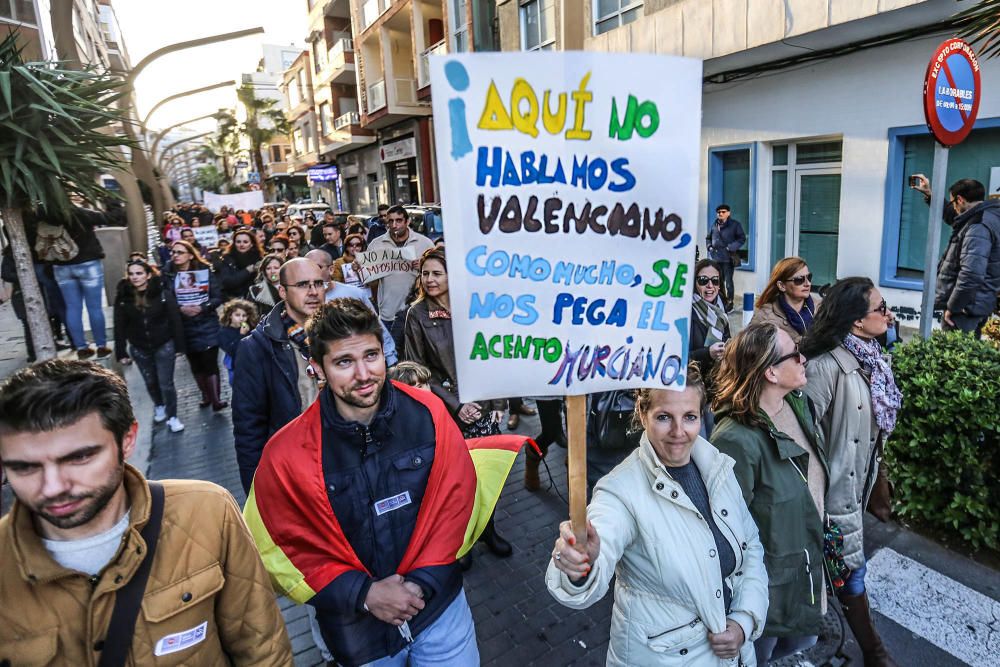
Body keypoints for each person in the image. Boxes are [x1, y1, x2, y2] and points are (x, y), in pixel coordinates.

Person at [243, 299, 534, 667]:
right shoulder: (286, 454)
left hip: (440, 614)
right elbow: (280, 546)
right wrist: (364, 594)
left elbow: (458, 501)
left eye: (371, 355)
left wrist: (421, 584)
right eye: (344, 362)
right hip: (360, 636)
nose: (364, 374)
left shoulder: (428, 414)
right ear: (317, 368)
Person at [0, 360, 292, 664]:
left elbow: (262, 648)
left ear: (127, 440)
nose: (52, 487)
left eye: (80, 458)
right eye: (25, 467)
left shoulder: (207, 513)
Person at [546, 365, 768, 666]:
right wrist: (579, 563)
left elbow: (751, 545)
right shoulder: (619, 491)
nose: (679, 432)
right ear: (643, 413)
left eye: (689, 417)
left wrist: (744, 620)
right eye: (664, 417)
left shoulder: (717, 466)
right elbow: (601, 540)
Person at [710, 323, 829, 665]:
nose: (803, 358)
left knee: (800, 641)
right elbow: (724, 535)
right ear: (771, 372)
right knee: (759, 655)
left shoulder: (795, 404)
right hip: (768, 587)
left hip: (806, 563)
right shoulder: (735, 439)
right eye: (795, 353)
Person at [800, 277, 901, 667]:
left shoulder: (871, 358)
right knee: (851, 575)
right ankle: (874, 652)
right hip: (833, 497)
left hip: (857, 489)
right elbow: (803, 441)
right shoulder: (826, 368)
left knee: (842, 572)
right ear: (856, 322)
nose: (888, 314)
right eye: (881, 308)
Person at [403, 247, 512, 560]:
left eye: (437, 273)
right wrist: (454, 404)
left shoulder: (474, 306)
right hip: (447, 409)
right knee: (456, 479)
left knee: (486, 473)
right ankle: (461, 539)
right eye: (426, 273)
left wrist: (499, 402)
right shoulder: (417, 314)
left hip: (483, 406)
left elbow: (494, 354)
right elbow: (417, 368)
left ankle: (487, 530)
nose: (430, 279)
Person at [231, 257, 326, 495]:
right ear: (282, 291)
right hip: (298, 469)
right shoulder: (256, 349)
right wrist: (257, 492)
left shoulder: (342, 332)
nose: (313, 292)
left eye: (319, 283)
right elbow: (249, 428)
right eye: (303, 285)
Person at [920, 177, 1000, 336]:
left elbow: (971, 273)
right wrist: (930, 195)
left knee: (955, 354)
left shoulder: (978, 226)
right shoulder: (986, 215)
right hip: (976, 302)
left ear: (960, 199)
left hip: (966, 307)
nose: (953, 207)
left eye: (952, 202)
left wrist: (953, 307)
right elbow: (955, 217)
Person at [114, 259, 185, 433]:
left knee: (165, 383)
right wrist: (121, 351)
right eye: (131, 274)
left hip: (163, 344)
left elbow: (175, 319)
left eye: (139, 273)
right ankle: (159, 405)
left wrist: (180, 346)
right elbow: (119, 325)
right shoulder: (124, 296)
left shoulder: (161, 293)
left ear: (148, 274)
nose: (135, 277)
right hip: (139, 347)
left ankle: (173, 416)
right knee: (151, 381)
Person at [162, 240, 227, 411]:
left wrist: (202, 307)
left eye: (180, 252)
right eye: (173, 252)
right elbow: (165, 300)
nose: (175, 255)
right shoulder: (167, 275)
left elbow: (217, 296)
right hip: (183, 326)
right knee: (195, 363)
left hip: (206, 323)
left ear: (190, 255)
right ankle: (205, 395)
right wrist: (179, 308)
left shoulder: (204, 271)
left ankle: (216, 400)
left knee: (210, 362)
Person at [43, 206, 112, 359]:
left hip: (61, 265)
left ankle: (81, 346)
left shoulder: (47, 214)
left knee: (72, 308)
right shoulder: (80, 213)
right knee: (94, 307)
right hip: (88, 263)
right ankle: (101, 345)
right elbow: (106, 217)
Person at [308, 248, 398, 366]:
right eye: (308, 268)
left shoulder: (355, 294)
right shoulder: (304, 300)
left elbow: (377, 326)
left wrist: (390, 359)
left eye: (317, 267)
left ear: (331, 269)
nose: (312, 272)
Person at [369, 205, 434, 353]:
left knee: (418, 354)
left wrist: (424, 265)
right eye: (390, 221)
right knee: (391, 356)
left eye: (398, 220)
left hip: (418, 311)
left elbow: (438, 273)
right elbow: (369, 280)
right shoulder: (376, 244)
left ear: (407, 221)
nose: (394, 225)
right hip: (388, 313)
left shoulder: (425, 243)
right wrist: (359, 269)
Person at [689, 258, 732, 433]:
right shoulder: (687, 311)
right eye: (703, 280)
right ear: (694, 283)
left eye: (715, 280)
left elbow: (728, 338)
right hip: (693, 389)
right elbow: (679, 356)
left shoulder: (721, 310)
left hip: (716, 388)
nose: (710, 286)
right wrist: (708, 353)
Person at [751, 257, 822, 343]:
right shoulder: (764, 317)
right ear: (781, 286)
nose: (807, 283)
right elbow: (750, 349)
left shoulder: (822, 308)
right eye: (799, 280)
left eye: (809, 277)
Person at [705, 204, 746, 311]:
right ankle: (720, 300)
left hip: (728, 259)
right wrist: (709, 247)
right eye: (719, 212)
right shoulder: (714, 224)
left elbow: (742, 238)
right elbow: (708, 238)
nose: (721, 214)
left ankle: (730, 302)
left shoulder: (735, 225)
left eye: (723, 212)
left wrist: (731, 247)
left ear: (728, 213)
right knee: (717, 281)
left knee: (728, 282)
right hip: (715, 258)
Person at [216, 228, 264, 301]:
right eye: (238, 242)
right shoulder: (226, 259)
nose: (241, 244)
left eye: (245, 242)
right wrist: (247, 271)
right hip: (234, 300)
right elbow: (227, 282)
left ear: (251, 244)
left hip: (256, 299)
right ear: (234, 244)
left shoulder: (259, 259)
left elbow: (270, 278)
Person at [219, 298, 258, 386]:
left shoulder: (251, 328)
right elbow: (232, 350)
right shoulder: (223, 332)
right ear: (230, 315)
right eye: (237, 315)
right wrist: (242, 335)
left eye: (244, 315)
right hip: (236, 366)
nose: (241, 318)